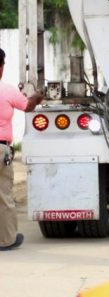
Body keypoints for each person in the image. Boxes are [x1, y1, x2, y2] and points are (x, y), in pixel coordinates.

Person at [0, 47, 43, 251]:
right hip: (0, 150)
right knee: (3, 197)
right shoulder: (6, 91)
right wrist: (36, 97)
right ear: (0, 67)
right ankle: (6, 240)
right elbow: (28, 106)